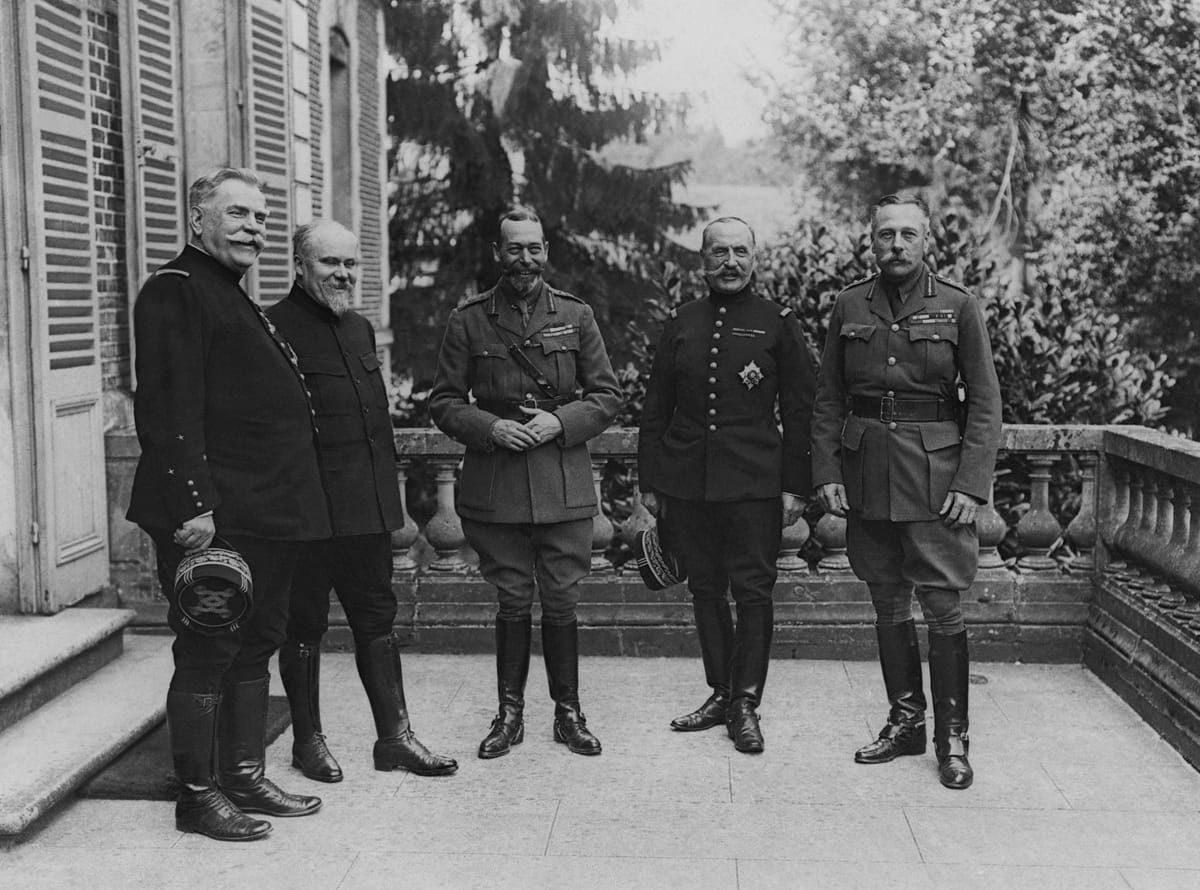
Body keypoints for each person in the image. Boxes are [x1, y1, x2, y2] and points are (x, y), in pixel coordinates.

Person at [127, 168, 331, 841]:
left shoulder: (229, 294)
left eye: (263, 219)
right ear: (197, 221)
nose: (255, 229)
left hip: (265, 513)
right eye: (238, 214)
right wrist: (194, 506)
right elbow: (167, 410)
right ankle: (197, 795)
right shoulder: (176, 290)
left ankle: (242, 775)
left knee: (258, 643)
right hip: (213, 516)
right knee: (209, 649)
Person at [812, 192, 1002, 790]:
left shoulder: (957, 306)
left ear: (927, 242)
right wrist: (827, 474)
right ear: (871, 241)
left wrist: (972, 484)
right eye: (886, 235)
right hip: (868, 475)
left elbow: (986, 404)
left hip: (937, 479)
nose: (896, 245)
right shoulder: (848, 305)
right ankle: (905, 723)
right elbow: (827, 401)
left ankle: (952, 738)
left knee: (943, 605)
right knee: (887, 601)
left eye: (908, 236)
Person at [267, 219, 457, 782]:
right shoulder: (271, 330)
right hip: (308, 515)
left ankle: (394, 738)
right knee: (302, 628)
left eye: (351, 263)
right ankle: (308, 742)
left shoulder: (359, 330)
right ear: (300, 265)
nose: (344, 273)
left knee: (377, 622)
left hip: (366, 515)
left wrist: (383, 509)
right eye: (330, 263)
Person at [430, 207, 622, 759]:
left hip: (563, 480)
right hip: (498, 483)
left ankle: (569, 713)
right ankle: (509, 715)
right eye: (514, 249)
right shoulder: (468, 319)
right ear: (497, 253)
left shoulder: (575, 315)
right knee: (513, 599)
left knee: (561, 600)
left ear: (546, 252)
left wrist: (560, 421)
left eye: (534, 248)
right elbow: (443, 401)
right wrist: (490, 428)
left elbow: (607, 395)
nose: (525, 260)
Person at [638, 216, 817, 754]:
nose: (730, 262)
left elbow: (802, 411)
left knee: (754, 592)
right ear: (703, 260)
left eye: (740, 251)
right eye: (719, 252)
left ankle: (745, 703)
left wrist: (795, 485)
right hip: (689, 485)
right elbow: (655, 408)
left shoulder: (778, 322)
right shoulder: (681, 321)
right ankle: (719, 692)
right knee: (705, 590)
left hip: (753, 484)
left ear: (755, 259)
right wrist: (651, 481)